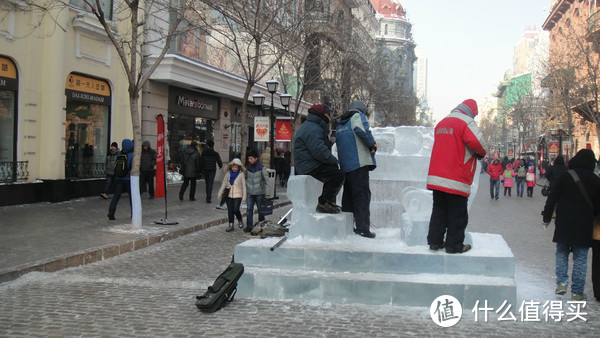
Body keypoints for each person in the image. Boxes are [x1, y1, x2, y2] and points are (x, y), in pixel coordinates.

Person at [426, 99, 486, 254]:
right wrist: (481, 153)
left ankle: (435, 241)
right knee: (458, 213)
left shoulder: (442, 122)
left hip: (437, 176)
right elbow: (478, 143)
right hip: (456, 176)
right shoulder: (466, 122)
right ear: (471, 112)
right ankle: (454, 245)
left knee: (439, 210)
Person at [542, 149, 600, 301]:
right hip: (584, 224)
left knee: (562, 253)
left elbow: (552, 197)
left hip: (564, 222)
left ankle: (562, 282)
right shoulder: (595, 180)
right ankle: (577, 292)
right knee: (580, 258)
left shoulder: (565, 176)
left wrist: (547, 217)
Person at [336, 101, 378, 239]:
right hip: (359, 164)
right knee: (362, 196)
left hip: (346, 166)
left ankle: (348, 227)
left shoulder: (342, 123)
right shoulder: (357, 116)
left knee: (348, 197)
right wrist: (372, 144)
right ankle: (362, 228)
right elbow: (362, 130)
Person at [294, 104, 344, 214]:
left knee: (332, 172)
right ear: (321, 114)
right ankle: (324, 203)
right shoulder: (313, 128)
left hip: (308, 163)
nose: (329, 115)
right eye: (327, 113)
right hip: (309, 165)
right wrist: (334, 161)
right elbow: (319, 151)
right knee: (337, 175)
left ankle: (327, 202)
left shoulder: (312, 126)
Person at [217, 158, 246, 232]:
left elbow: (243, 186)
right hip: (228, 194)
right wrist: (220, 193)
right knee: (230, 210)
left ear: (239, 167)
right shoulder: (228, 174)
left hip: (238, 194)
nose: (234, 168)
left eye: (236, 167)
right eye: (233, 167)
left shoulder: (241, 174)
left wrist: (244, 197)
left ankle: (240, 220)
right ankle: (231, 224)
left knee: (236, 209)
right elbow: (224, 184)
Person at [108, 139, 134, 220]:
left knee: (116, 196)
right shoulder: (131, 155)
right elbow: (132, 167)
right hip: (128, 179)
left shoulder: (120, 154)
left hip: (119, 178)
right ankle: (134, 213)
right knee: (132, 197)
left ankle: (111, 212)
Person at [245, 150, 270, 232]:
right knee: (249, 210)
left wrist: (267, 194)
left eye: (251, 158)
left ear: (256, 158)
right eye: (249, 158)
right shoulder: (248, 168)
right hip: (250, 193)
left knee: (260, 210)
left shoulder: (261, 167)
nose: (250, 160)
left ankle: (261, 225)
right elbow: (245, 178)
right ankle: (249, 226)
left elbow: (266, 181)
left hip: (260, 192)